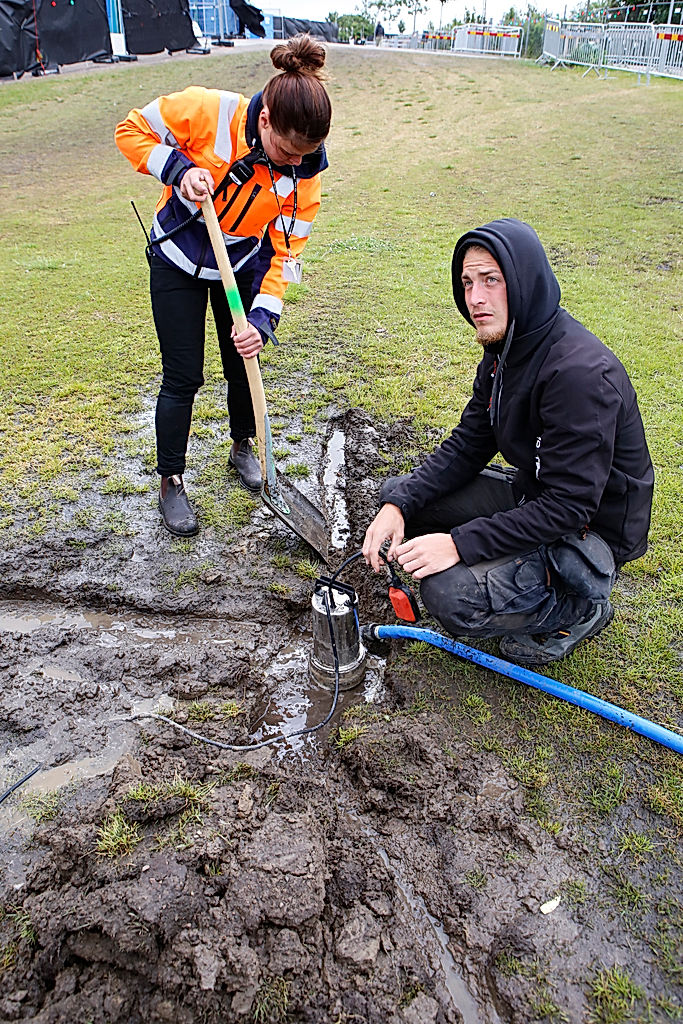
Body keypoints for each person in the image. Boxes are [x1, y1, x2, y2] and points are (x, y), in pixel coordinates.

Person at [363, 218, 654, 666]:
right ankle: (512, 566)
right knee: (402, 497)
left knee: (450, 595)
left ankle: (579, 608)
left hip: (588, 530)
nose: (475, 298)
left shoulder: (579, 373)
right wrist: (398, 504)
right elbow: (468, 444)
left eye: (491, 280)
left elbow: (570, 506)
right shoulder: (506, 349)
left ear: (523, 280)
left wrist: (458, 544)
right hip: (536, 493)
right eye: (467, 283)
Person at [115, 34, 331, 536]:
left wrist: (262, 318)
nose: (293, 163)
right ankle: (171, 480)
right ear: (264, 120)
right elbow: (131, 131)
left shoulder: (304, 174)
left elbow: (286, 253)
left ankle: (242, 446)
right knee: (183, 376)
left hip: (240, 265)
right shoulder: (208, 110)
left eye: (306, 154)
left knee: (242, 361)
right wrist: (178, 169)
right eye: (286, 151)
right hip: (178, 257)